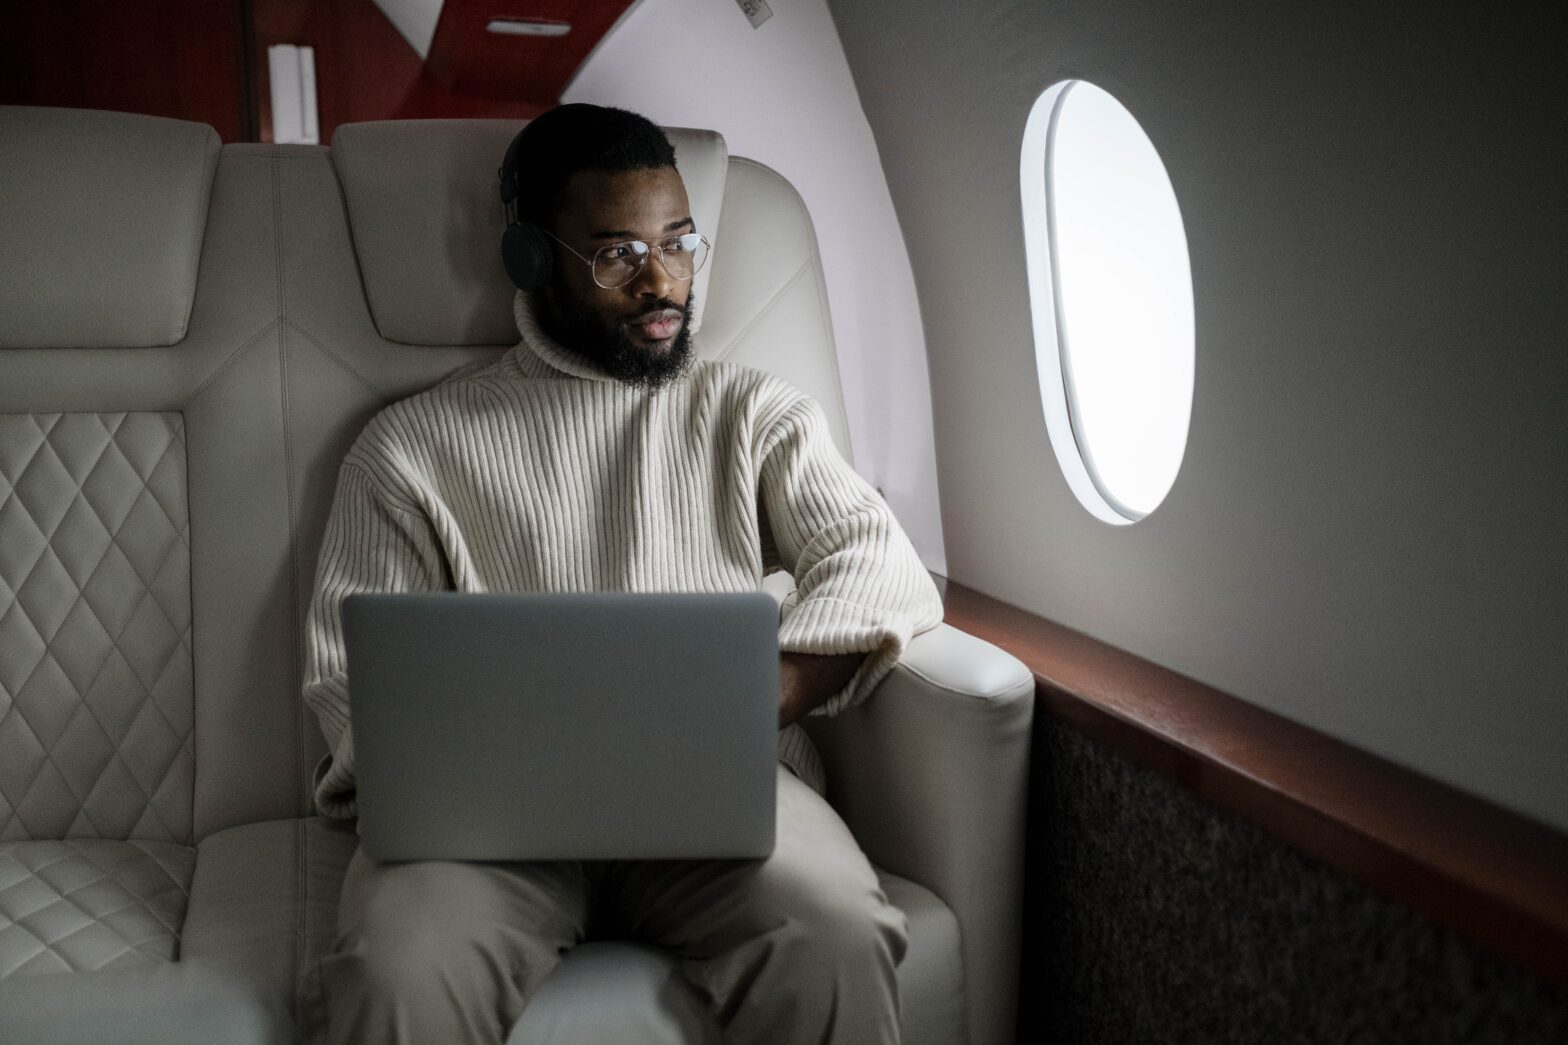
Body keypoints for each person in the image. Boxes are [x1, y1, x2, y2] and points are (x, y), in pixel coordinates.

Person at [301, 103, 943, 1045]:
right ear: (532, 261)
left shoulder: (753, 413)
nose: (663, 283)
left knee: (838, 934)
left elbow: (878, 563)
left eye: (679, 243)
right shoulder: (410, 448)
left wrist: (761, 693)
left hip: (720, 795)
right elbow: (347, 681)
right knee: (399, 974)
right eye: (618, 255)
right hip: (488, 828)